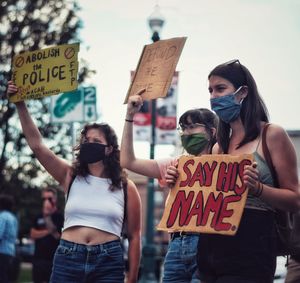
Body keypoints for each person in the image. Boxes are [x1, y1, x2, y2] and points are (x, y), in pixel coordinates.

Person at [6, 81, 142, 283]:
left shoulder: (126, 187)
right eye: (86, 141)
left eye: (96, 142)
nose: (89, 145)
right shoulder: (69, 175)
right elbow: (37, 145)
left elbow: (135, 236)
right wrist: (20, 105)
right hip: (68, 258)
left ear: (109, 149)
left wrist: (131, 278)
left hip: (108, 261)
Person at [193, 59, 300, 283]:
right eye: (210, 90)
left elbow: (295, 199)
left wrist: (259, 189)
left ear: (242, 93)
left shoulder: (272, 135)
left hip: (252, 248)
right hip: (210, 251)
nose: (213, 96)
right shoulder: (218, 147)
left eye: (221, 88)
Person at [121, 93, 218, 283]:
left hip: (208, 244)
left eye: (192, 127)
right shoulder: (175, 164)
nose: (186, 133)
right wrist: (129, 116)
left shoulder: (224, 163)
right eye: (183, 128)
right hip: (176, 245)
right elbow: (127, 161)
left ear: (212, 132)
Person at [30, 187, 64, 283]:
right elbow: (33, 234)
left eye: (49, 198)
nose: (46, 201)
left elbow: (58, 236)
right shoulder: (38, 216)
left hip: (53, 259)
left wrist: (47, 217)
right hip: (38, 259)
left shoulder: (59, 217)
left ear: (55, 199)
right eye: (44, 199)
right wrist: (49, 230)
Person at [0, 194, 18, 283]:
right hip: (11, 251)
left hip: (2, 251)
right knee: (6, 277)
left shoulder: (2, 216)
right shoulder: (14, 218)